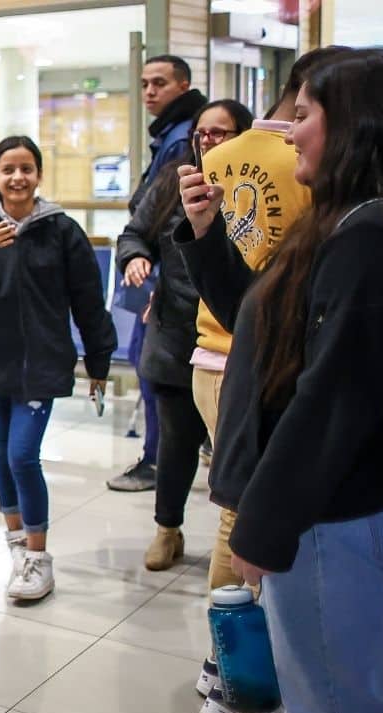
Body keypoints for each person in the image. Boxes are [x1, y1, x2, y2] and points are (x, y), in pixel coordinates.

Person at [176, 48, 383, 713]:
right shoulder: (337, 223)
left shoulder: (368, 238)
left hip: (331, 517)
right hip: (321, 511)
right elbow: (261, 318)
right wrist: (208, 236)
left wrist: (262, 527)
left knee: (329, 696)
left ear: (355, 125)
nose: (288, 131)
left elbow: (329, 397)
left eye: (303, 115)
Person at [0, 136, 117, 602]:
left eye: (26, 168)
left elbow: (89, 303)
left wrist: (98, 360)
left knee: (21, 456)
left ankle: (38, 556)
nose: (17, 177)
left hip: (41, 365)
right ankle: (15, 544)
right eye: (7, 169)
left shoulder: (62, 230)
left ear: (38, 175)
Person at [115, 99, 254, 571]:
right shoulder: (174, 178)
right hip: (176, 335)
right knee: (176, 443)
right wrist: (136, 257)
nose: (210, 142)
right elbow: (133, 233)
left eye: (222, 132)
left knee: (234, 453)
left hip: (237, 339)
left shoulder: (255, 184)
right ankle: (167, 530)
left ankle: (236, 543)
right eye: (203, 133)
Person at [109, 54, 209, 492]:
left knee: (154, 369)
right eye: (145, 83)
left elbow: (158, 212)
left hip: (170, 280)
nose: (149, 91)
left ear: (183, 86)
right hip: (153, 267)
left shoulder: (182, 140)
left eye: (160, 83)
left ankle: (157, 458)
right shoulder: (169, 133)